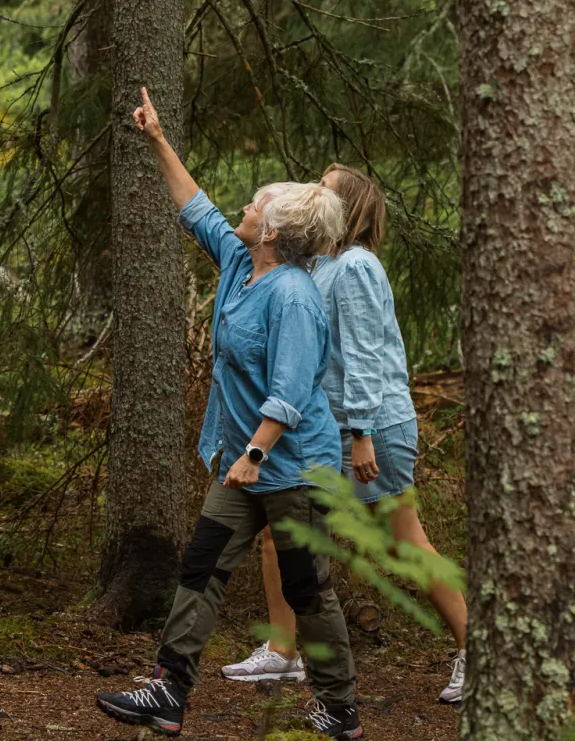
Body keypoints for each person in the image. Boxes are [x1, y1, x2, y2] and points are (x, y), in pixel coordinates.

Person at [93, 88, 364, 741]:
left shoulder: (293, 297)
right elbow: (195, 208)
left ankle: (341, 709)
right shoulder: (241, 260)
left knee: (305, 587)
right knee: (203, 566)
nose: (244, 205)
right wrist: (157, 138)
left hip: (291, 465)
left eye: (256, 203)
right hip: (247, 462)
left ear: (273, 229)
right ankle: (167, 691)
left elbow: (291, 392)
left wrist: (255, 454)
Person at [221, 163, 469, 704]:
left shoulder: (356, 266)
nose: (311, 191)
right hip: (324, 429)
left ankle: (480, 651)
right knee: (280, 532)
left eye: (324, 189)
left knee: (404, 542)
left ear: (348, 208)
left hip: (371, 428)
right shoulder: (313, 265)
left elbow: (362, 357)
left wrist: (361, 433)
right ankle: (283, 652)